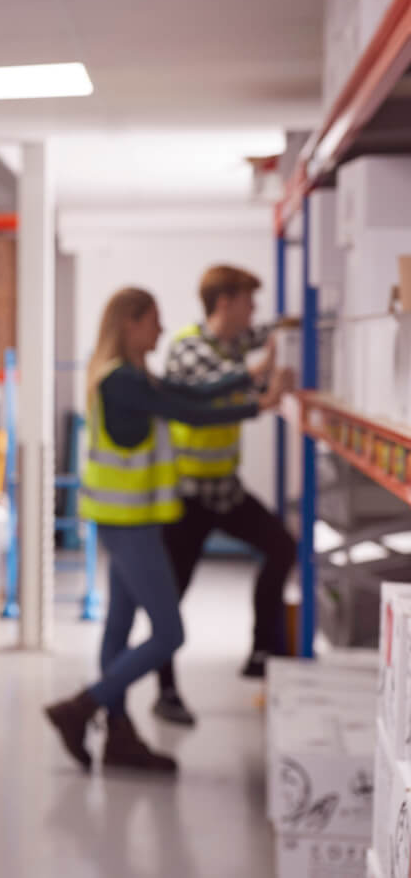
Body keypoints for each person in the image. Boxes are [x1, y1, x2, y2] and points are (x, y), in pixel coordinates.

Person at [44, 287, 286, 774]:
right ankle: (82, 707)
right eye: (153, 320)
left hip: (130, 521)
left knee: (118, 627)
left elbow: (187, 394)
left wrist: (251, 376)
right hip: (131, 524)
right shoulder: (121, 383)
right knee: (170, 633)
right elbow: (189, 411)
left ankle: (118, 735)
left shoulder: (131, 377)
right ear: (130, 324)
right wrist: (259, 404)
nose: (160, 328)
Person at [152, 264, 299, 727]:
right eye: (247, 301)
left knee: (281, 546)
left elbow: (254, 338)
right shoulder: (189, 349)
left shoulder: (231, 343)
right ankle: (166, 691)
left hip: (225, 490)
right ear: (224, 303)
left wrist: (286, 327)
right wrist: (263, 394)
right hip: (187, 498)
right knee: (169, 599)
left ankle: (261, 649)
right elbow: (212, 391)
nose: (252, 310)